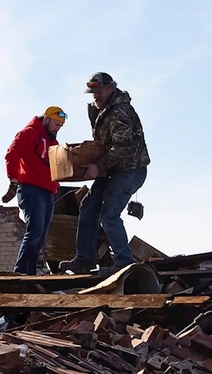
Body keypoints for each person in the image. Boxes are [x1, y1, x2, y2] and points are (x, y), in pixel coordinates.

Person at [59, 72, 150, 274]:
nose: (95, 96)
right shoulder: (102, 111)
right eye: (93, 93)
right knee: (88, 206)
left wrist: (98, 166)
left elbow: (123, 148)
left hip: (130, 170)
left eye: (98, 92)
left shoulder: (121, 112)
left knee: (109, 214)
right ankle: (84, 259)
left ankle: (124, 262)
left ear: (110, 88)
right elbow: (104, 145)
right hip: (112, 169)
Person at [3, 106, 67, 275]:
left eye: (60, 126)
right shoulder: (29, 133)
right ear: (46, 119)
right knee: (35, 231)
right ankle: (21, 271)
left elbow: (56, 168)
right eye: (56, 124)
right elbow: (12, 154)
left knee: (41, 237)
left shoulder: (53, 143)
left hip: (47, 193)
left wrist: (56, 188)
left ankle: (30, 273)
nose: (57, 128)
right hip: (30, 189)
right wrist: (13, 180)